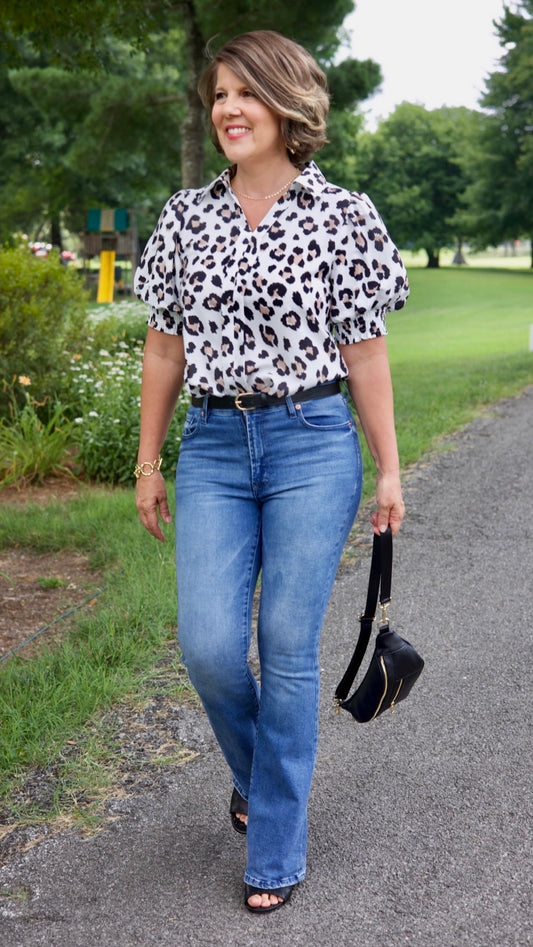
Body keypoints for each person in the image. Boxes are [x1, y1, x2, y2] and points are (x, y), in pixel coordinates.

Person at [133, 30, 408, 914]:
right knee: (209, 645)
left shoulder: (344, 215)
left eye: (244, 94)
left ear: (288, 104)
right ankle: (261, 774)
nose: (227, 110)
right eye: (218, 96)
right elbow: (164, 347)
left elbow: (365, 354)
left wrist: (388, 471)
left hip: (311, 440)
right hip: (212, 446)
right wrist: (148, 460)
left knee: (286, 648)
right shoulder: (186, 216)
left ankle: (275, 845)